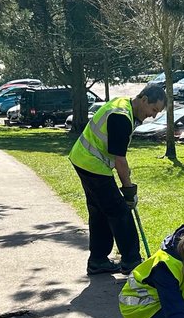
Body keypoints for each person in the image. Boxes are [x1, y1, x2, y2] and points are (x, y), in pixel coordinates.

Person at [69, 84, 166, 276]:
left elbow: (117, 155)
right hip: (91, 163)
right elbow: (120, 160)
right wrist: (129, 191)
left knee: (100, 211)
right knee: (120, 212)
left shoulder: (123, 105)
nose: (153, 116)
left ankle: (98, 260)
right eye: (154, 109)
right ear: (144, 99)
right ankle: (132, 262)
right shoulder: (121, 117)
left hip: (83, 159)